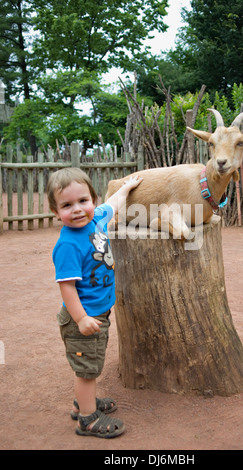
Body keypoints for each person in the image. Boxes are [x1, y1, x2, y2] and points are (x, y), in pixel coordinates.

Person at [47, 167, 142, 438]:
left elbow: (113, 205)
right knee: (87, 370)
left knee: (93, 363)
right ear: (56, 212)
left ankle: (85, 401)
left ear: (93, 201)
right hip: (84, 318)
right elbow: (66, 288)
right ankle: (86, 419)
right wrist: (81, 319)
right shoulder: (68, 245)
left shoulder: (97, 221)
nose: (77, 209)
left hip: (98, 314)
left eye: (83, 201)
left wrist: (126, 188)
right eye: (67, 205)